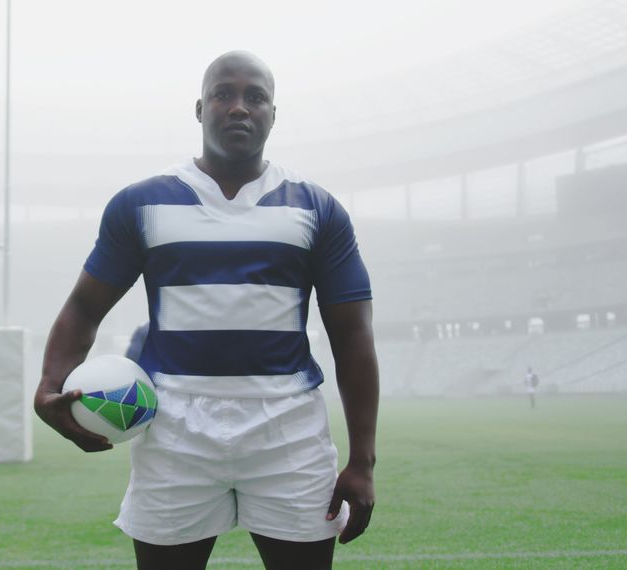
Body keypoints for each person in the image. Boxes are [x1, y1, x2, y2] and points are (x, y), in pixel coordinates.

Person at [35, 51, 380, 570]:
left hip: (288, 429)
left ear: (273, 113)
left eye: (255, 97)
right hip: (175, 429)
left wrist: (363, 461)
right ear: (200, 108)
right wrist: (48, 386)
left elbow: (352, 335)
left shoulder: (317, 208)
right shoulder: (141, 204)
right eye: (224, 94)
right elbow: (84, 307)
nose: (239, 107)